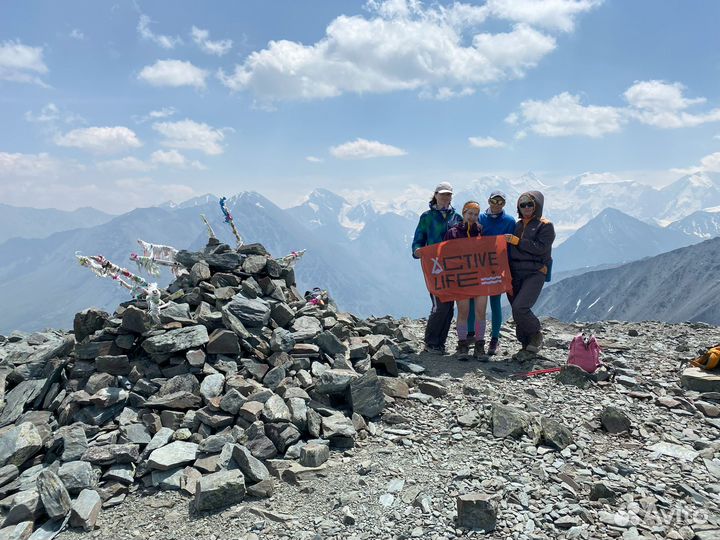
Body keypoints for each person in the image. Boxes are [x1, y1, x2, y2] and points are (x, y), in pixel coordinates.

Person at [412, 182, 462, 354]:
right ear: (435, 195)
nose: (445, 197)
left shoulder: (457, 218)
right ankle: (430, 342)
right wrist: (417, 250)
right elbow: (418, 238)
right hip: (434, 267)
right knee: (439, 305)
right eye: (442, 194)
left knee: (449, 306)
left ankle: (440, 343)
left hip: (453, 268)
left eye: (448, 194)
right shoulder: (427, 217)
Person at [505, 191, 555, 355]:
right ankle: (525, 346)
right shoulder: (517, 225)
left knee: (520, 307)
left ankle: (536, 334)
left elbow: (541, 248)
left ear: (537, 206)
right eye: (522, 204)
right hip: (515, 273)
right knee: (515, 309)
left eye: (530, 204)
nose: (526, 207)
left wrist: (519, 242)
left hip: (535, 272)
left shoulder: (545, 225)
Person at [443, 201, 488, 359]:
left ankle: (479, 346)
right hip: (461, 278)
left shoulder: (481, 232)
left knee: (480, 312)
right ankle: (462, 345)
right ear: (463, 213)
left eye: (476, 214)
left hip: (480, 278)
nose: (472, 217)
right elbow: (445, 254)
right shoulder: (453, 233)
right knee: (463, 311)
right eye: (470, 213)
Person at [477, 190, 517, 355]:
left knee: (494, 302)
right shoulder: (479, 218)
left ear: (504, 204)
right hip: (479, 266)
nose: (497, 205)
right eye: (494, 201)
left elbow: (513, 244)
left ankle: (494, 339)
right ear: (489, 200)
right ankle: (476, 339)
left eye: (501, 202)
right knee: (477, 303)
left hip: (498, 267)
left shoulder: (509, 221)